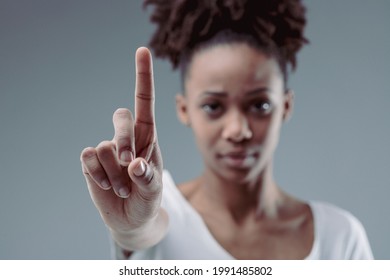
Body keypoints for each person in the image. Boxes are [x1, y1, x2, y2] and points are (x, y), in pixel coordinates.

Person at [80, 0, 373, 259]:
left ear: (285, 106)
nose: (237, 130)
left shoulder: (339, 238)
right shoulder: (156, 206)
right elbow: (144, 231)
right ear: (185, 110)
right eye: (213, 107)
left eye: (260, 105)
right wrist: (134, 228)